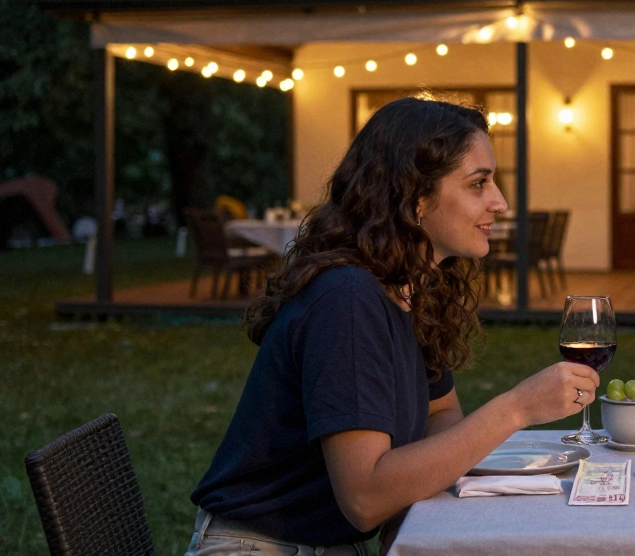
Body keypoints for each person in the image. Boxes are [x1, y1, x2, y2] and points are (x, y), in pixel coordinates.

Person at [186, 97, 599, 556]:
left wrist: (417, 484)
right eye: (478, 184)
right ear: (415, 198)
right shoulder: (346, 299)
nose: (499, 203)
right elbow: (364, 498)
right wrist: (517, 409)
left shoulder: (409, 288)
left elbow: (439, 415)